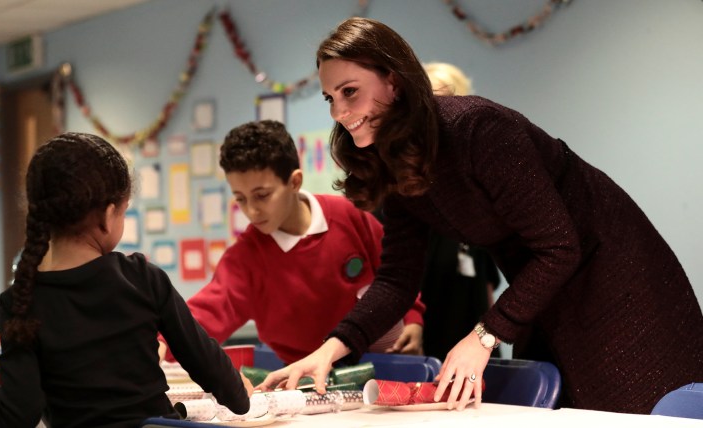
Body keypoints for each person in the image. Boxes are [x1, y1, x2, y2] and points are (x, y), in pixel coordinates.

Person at [258, 17, 703, 415]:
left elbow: (559, 244)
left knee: (630, 409)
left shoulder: (478, 129)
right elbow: (397, 280)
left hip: (616, 276)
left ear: (393, 81)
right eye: (330, 98)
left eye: (350, 92)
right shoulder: (393, 161)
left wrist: (483, 336)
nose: (339, 113)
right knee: (556, 409)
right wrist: (331, 349)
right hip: (547, 287)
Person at [0, 132, 252, 427]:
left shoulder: (20, 301)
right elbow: (217, 375)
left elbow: (18, 414)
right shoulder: (144, 278)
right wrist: (239, 392)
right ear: (107, 216)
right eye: (124, 212)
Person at [159, 120, 425, 366]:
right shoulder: (244, 260)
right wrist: (158, 342)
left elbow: (397, 276)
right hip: (308, 386)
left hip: (386, 369)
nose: (251, 211)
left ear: (294, 182)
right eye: (240, 198)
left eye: (262, 196)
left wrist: (413, 319)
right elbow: (202, 315)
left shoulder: (350, 216)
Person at [415, 62, 503, 361]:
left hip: (478, 345)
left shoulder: (482, 188)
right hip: (424, 345)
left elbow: (487, 283)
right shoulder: (404, 192)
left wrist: (489, 339)